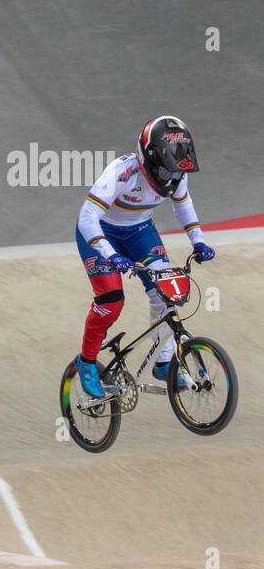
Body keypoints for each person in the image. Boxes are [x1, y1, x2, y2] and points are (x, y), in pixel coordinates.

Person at [73, 116, 214, 398]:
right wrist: (110, 254)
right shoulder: (122, 172)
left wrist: (199, 241)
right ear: (149, 161)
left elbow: (183, 206)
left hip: (139, 232)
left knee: (166, 292)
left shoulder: (176, 171)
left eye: (177, 173)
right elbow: (87, 217)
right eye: (167, 174)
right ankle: (86, 362)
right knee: (111, 301)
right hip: (100, 234)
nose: (172, 179)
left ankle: (163, 362)